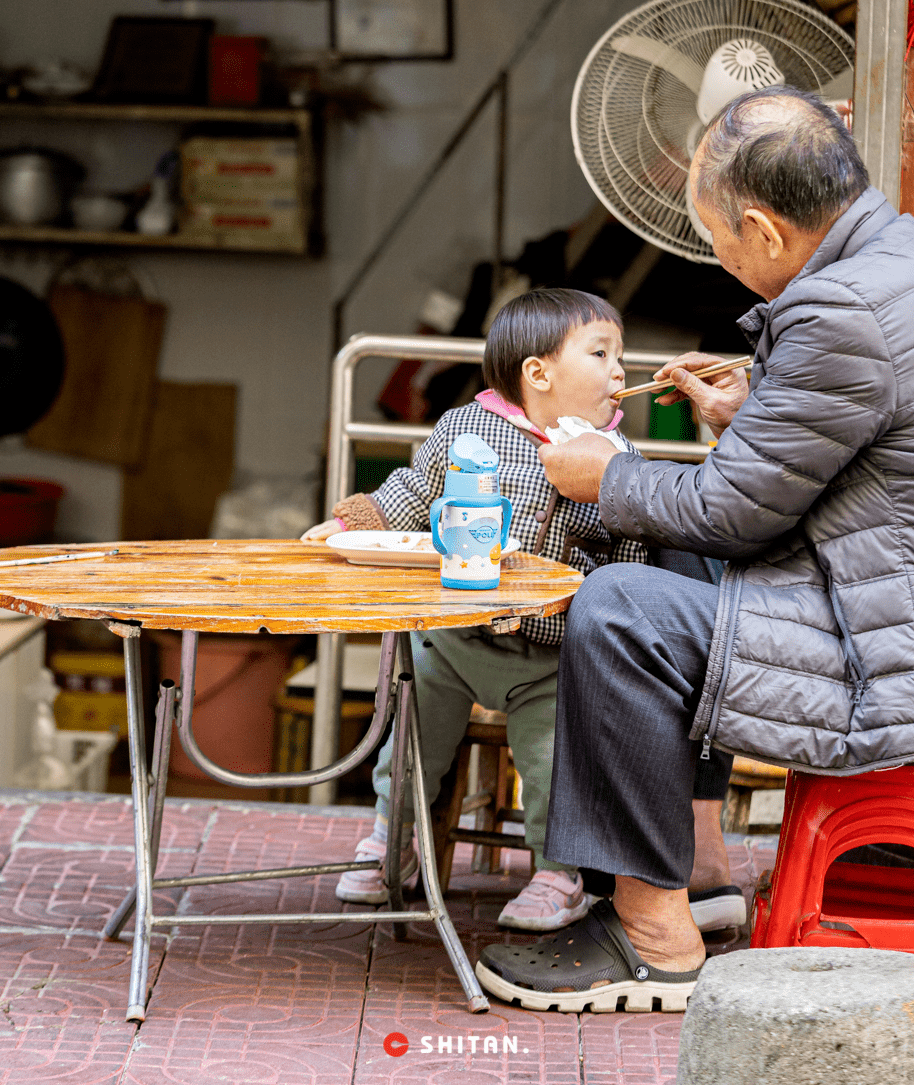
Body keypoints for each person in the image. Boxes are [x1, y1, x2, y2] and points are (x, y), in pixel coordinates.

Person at [475, 86, 914, 1013]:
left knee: (618, 606)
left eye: (713, 235)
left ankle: (651, 935)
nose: (714, 255)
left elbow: (732, 513)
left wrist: (605, 476)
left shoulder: (840, 309)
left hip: (903, 654)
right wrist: (753, 413)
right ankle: (703, 866)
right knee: (656, 555)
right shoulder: (911, 251)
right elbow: (853, 449)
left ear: (761, 227)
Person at [304, 287, 738, 933]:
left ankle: (557, 871)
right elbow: (412, 492)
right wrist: (346, 521)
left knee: (551, 765)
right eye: (601, 353)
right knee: (411, 742)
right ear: (538, 373)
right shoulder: (464, 429)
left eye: (619, 356)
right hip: (454, 639)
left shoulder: (618, 460)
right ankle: (394, 840)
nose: (621, 372)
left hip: (550, 657)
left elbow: (631, 557)